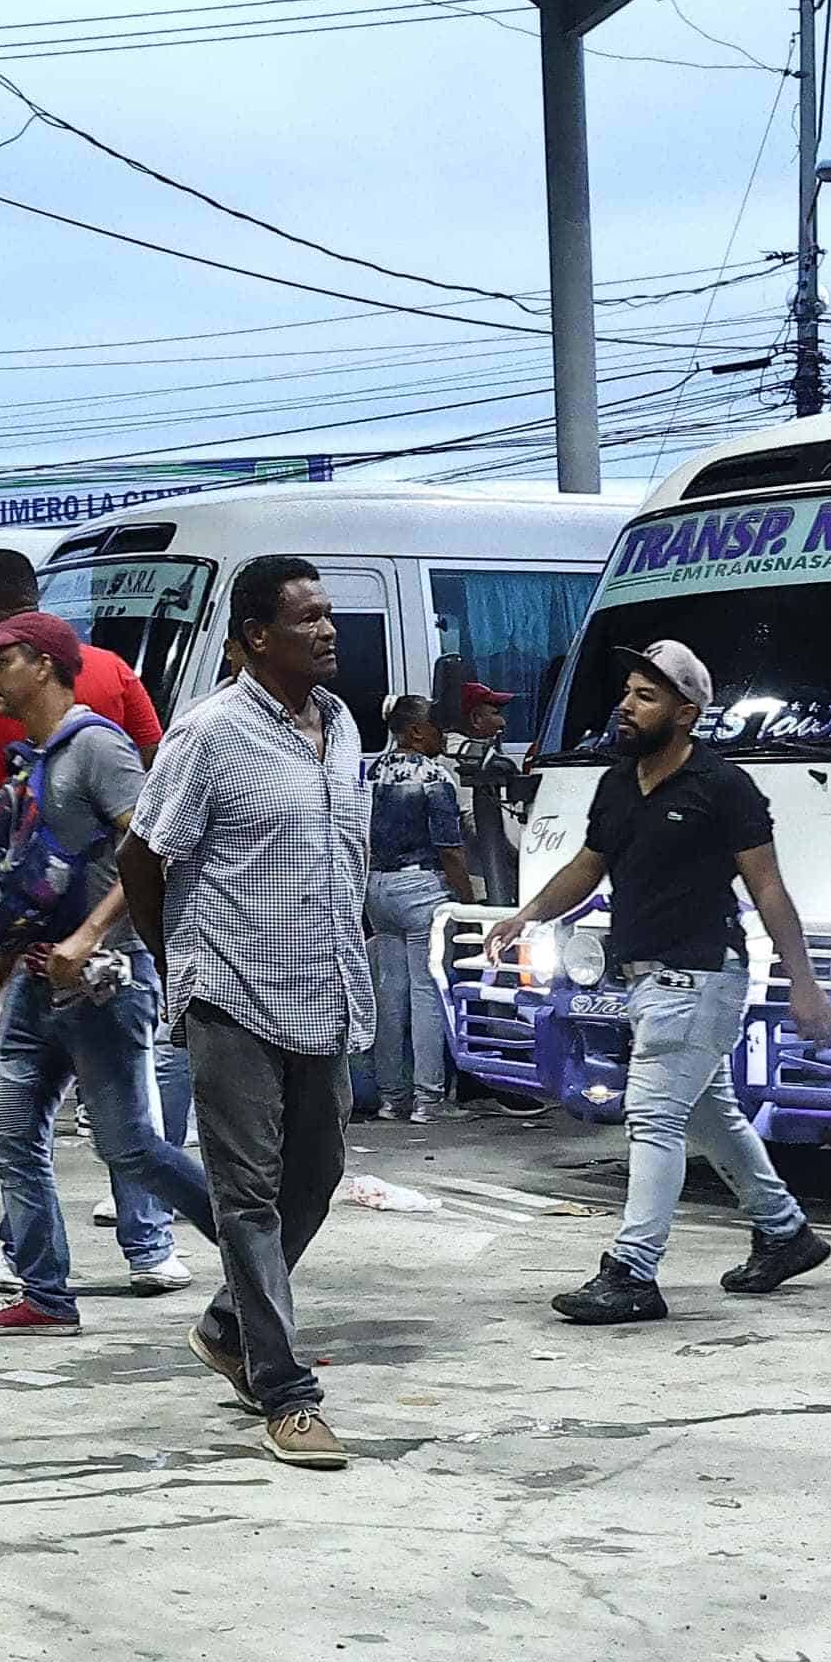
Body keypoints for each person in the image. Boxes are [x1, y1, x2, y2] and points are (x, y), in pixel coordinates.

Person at [492, 638, 831, 1323]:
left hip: (702, 976)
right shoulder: (618, 783)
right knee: (712, 1115)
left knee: (652, 1117)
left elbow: (768, 889)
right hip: (645, 982)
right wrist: (527, 913)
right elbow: (588, 867)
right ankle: (785, 1232)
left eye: (645, 696)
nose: (625, 705)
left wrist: (805, 983)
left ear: (685, 714)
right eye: (626, 691)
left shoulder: (723, 787)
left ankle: (632, 1270)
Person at [120, 556, 370, 1470]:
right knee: (249, 1197)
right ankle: (286, 1393)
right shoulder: (210, 733)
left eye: (329, 614)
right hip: (232, 991)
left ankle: (228, 1323)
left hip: (326, 990)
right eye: (307, 618)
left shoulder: (342, 727)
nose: (328, 630)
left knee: (318, 1178)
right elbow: (144, 855)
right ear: (257, 636)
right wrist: (175, 959)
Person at [0, 612, 214, 1336]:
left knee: (129, 1145)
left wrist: (91, 933)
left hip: (103, 983)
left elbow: (154, 848)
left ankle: (257, 1244)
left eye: (0, 660)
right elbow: (26, 888)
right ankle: (45, 1295)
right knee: (13, 1132)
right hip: (39, 988)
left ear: (42, 665)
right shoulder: (34, 759)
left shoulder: (98, 747)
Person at [0, 548, 163, 1096]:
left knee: (16, 1076)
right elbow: (156, 769)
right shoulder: (112, 670)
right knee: (106, 1096)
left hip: (4, 893)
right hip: (103, 898)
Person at [360, 695, 474, 1123]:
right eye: (438, 727)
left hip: (378, 887)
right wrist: (468, 897)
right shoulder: (433, 776)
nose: (444, 735)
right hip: (422, 887)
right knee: (427, 992)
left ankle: (393, 1098)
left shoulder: (375, 772)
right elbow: (450, 850)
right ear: (416, 733)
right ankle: (429, 1099)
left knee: (389, 993)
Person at [449, 680, 528, 911]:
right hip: (483, 881)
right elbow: (476, 819)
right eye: (495, 714)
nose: (502, 722)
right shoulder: (463, 758)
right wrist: (521, 853)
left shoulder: (478, 750)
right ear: (475, 719)